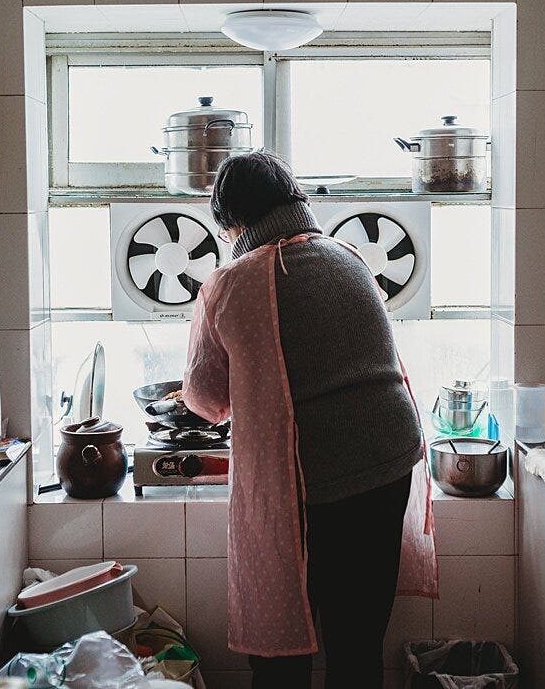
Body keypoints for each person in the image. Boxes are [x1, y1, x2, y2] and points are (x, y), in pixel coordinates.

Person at [183, 151, 437, 689]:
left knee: (279, 655)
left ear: (233, 222)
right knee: (357, 642)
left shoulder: (232, 283)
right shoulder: (347, 256)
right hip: (391, 459)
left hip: (316, 471)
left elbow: (207, 400)